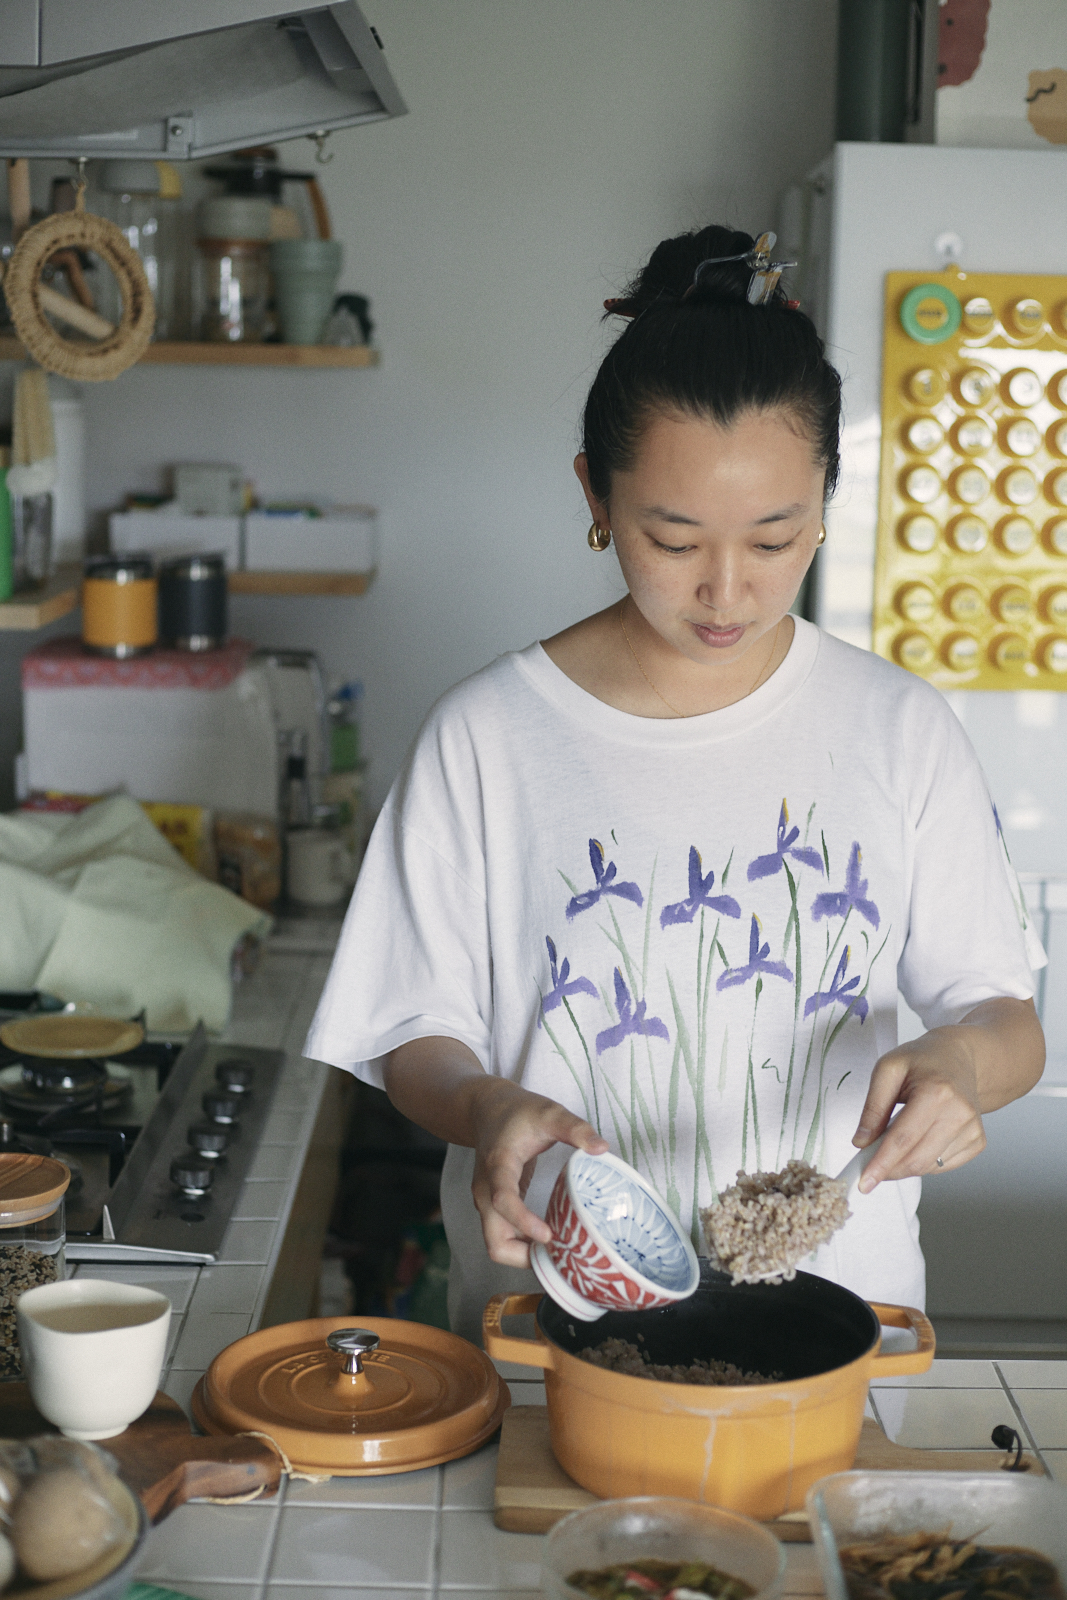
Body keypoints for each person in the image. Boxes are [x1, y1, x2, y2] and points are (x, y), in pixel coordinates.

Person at [306, 225, 1045, 1345]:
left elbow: (1005, 1020)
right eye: (672, 538)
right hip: (556, 1320)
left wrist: (958, 1064)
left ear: (825, 501)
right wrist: (486, 1102)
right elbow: (413, 1033)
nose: (725, 590)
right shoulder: (488, 737)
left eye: (773, 539)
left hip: (839, 1320)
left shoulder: (898, 728)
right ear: (595, 497)